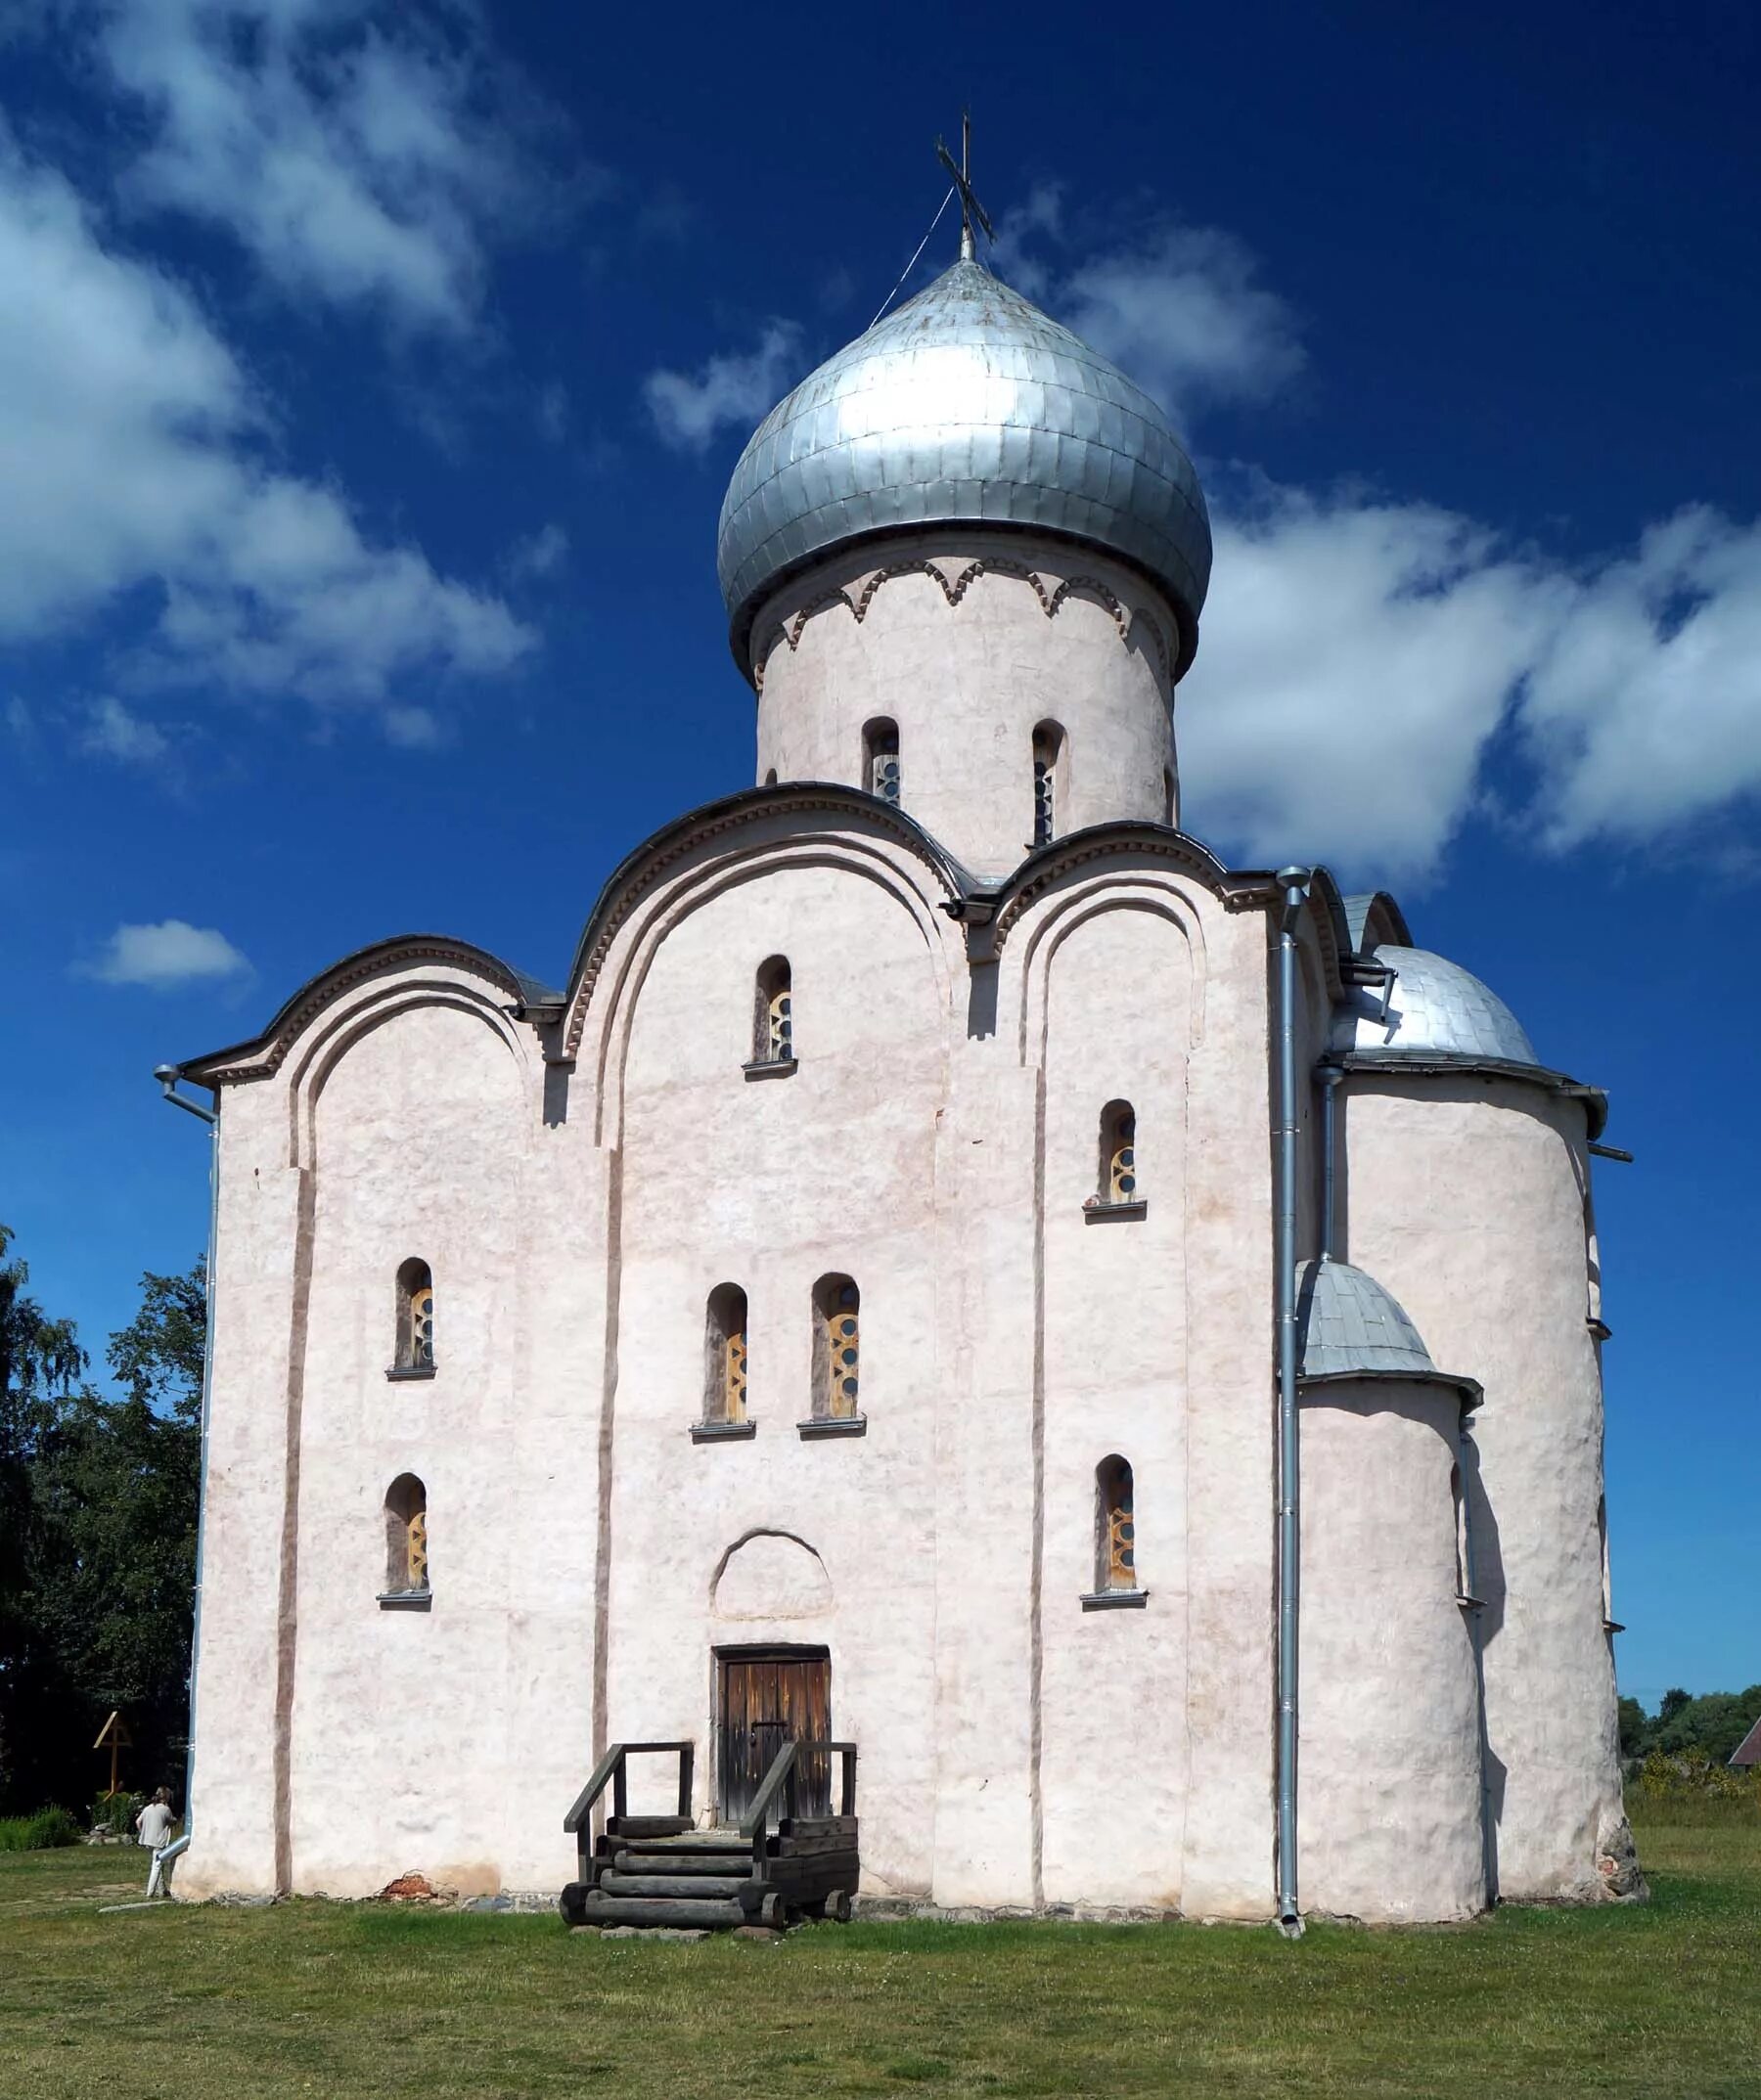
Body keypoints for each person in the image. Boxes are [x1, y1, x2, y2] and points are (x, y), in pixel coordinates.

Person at [135, 1788, 177, 1898]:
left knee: (158, 1864)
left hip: (147, 1841)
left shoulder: (148, 1808)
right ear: (166, 1797)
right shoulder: (165, 1809)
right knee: (157, 1866)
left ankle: (162, 1890)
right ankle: (150, 1892)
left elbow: (138, 1822)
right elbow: (171, 1821)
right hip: (159, 1841)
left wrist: (143, 1832)